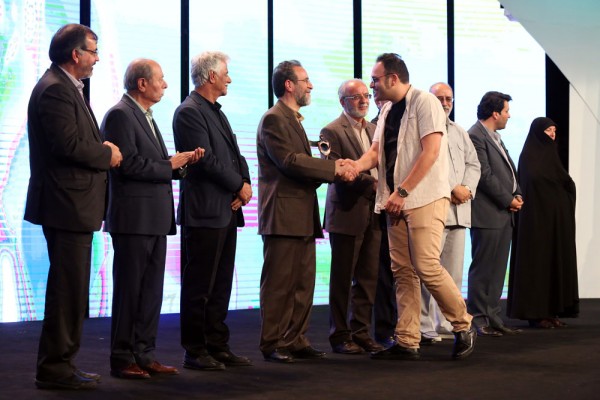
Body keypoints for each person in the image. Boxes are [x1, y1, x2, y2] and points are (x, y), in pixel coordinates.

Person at [351, 53, 476, 360]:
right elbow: (375, 153)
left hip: (424, 197)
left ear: (393, 78)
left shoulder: (426, 102)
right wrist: (353, 166)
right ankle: (407, 339)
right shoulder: (387, 109)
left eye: (375, 80)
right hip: (394, 201)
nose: (372, 85)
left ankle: (463, 324)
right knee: (403, 271)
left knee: (426, 265)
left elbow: (430, 152)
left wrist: (403, 191)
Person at [25, 23, 122, 390]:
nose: (97, 58)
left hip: (72, 205)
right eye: (93, 51)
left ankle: (61, 363)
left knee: (72, 289)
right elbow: (67, 145)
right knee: (67, 290)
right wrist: (106, 153)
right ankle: (54, 368)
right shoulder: (55, 89)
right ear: (75, 54)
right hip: (65, 205)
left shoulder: (65, 86)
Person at [101, 59, 203, 379]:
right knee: (130, 291)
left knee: (150, 293)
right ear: (142, 83)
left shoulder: (145, 115)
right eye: (161, 79)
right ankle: (122, 358)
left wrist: (181, 164)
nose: (166, 85)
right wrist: (170, 164)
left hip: (154, 219)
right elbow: (127, 165)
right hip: (133, 219)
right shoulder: (120, 114)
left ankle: (145, 354)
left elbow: (152, 164)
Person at [256, 60, 356, 363]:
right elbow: (289, 161)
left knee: (302, 283)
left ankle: (295, 339)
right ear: (289, 85)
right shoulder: (274, 119)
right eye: (305, 80)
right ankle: (273, 342)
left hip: (300, 213)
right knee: (279, 284)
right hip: (282, 215)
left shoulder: (293, 119)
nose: (310, 85)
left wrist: (330, 168)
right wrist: (334, 168)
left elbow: (301, 165)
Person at [173, 51, 252, 371]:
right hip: (204, 211)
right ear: (211, 77)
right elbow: (205, 160)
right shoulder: (189, 112)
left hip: (225, 208)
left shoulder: (216, 111)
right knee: (199, 285)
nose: (229, 79)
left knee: (220, 285)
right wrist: (238, 185)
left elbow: (234, 154)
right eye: (226, 73)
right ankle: (195, 350)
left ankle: (217, 345)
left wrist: (244, 183)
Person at [320, 79, 384, 354]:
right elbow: (335, 170)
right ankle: (339, 335)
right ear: (342, 101)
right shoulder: (331, 130)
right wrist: (373, 185)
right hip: (346, 212)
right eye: (356, 96)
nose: (363, 100)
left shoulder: (374, 129)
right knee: (342, 279)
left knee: (368, 278)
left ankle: (361, 332)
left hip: (374, 212)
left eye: (366, 95)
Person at [420, 82, 480, 343]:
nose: (445, 103)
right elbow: (425, 164)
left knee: (453, 275)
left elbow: (473, 164)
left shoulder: (459, 131)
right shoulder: (421, 128)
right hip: (435, 209)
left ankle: (446, 322)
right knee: (427, 274)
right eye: (440, 99)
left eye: (449, 99)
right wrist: (452, 188)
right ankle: (424, 326)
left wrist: (466, 188)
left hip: (459, 212)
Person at [507, 117, 579, 328]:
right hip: (536, 223)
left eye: (554, 131)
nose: (552, 135)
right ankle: (536, 313)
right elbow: (534, 184)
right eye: (548, 131)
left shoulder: (551, 156)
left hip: (555, 223)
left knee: (553, 262)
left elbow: (561, 182)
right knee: (537, 263)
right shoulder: (528, 156)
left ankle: (551, 311)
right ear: (538, 133)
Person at [467, 91, 523, 337]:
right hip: (487, 213)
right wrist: (508, 199)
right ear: (495, 113)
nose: (509, 116)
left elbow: (509, 171)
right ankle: (479, 318)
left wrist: (517, 193)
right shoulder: (475, 135)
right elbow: (484, 175)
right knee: (483, 269)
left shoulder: (495, 137)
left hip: (502, 214)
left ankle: (494, 317)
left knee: (498, 270)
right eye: (506, 111)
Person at [371, 98, 397, 348]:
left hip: (398, 209)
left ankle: (404, 328)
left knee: (398, 273)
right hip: (372, 210)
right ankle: (384, 329)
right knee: (381, 276)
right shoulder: (374, 128)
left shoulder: (401, 128)